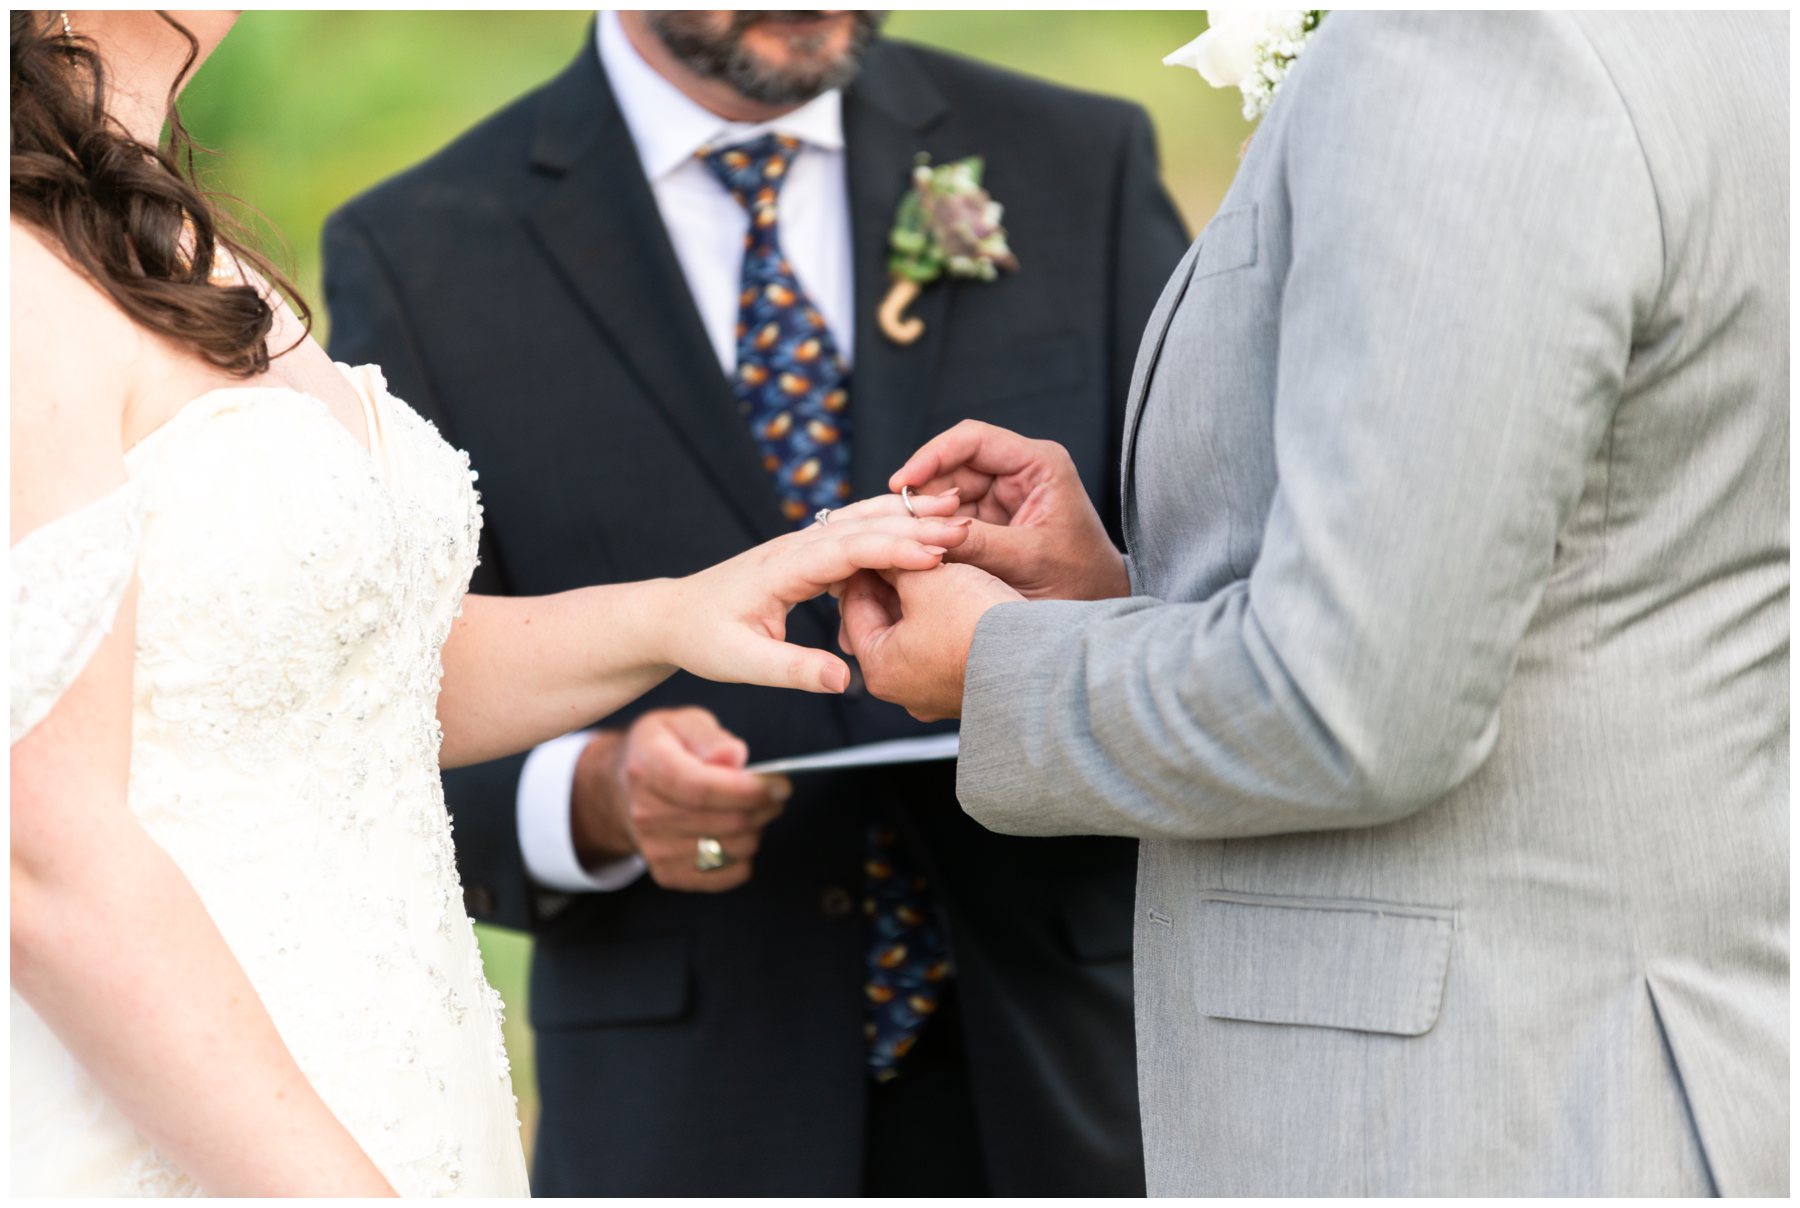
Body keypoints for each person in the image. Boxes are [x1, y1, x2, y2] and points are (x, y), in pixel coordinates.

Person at [9, 9, 969, 1197]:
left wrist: (682, 611)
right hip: (205, 1127)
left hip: (402, 1090)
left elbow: (348, 674)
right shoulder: (18, 279)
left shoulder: (172, 241)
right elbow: (42, 862)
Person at [843, 10, 1789, 1198]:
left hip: (1483, 1110)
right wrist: (1120, 604)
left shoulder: (1470, 44)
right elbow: (1574, 568)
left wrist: (1003, 664)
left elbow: (1355, 701)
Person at [324, 9, 1186, 1196]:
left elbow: (1218, 597)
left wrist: (1097, 599)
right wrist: (593, 796)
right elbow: (362, 720)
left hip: (1084, 1078)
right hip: (690, 1114)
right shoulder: (416, 250)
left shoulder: (1078, 160)